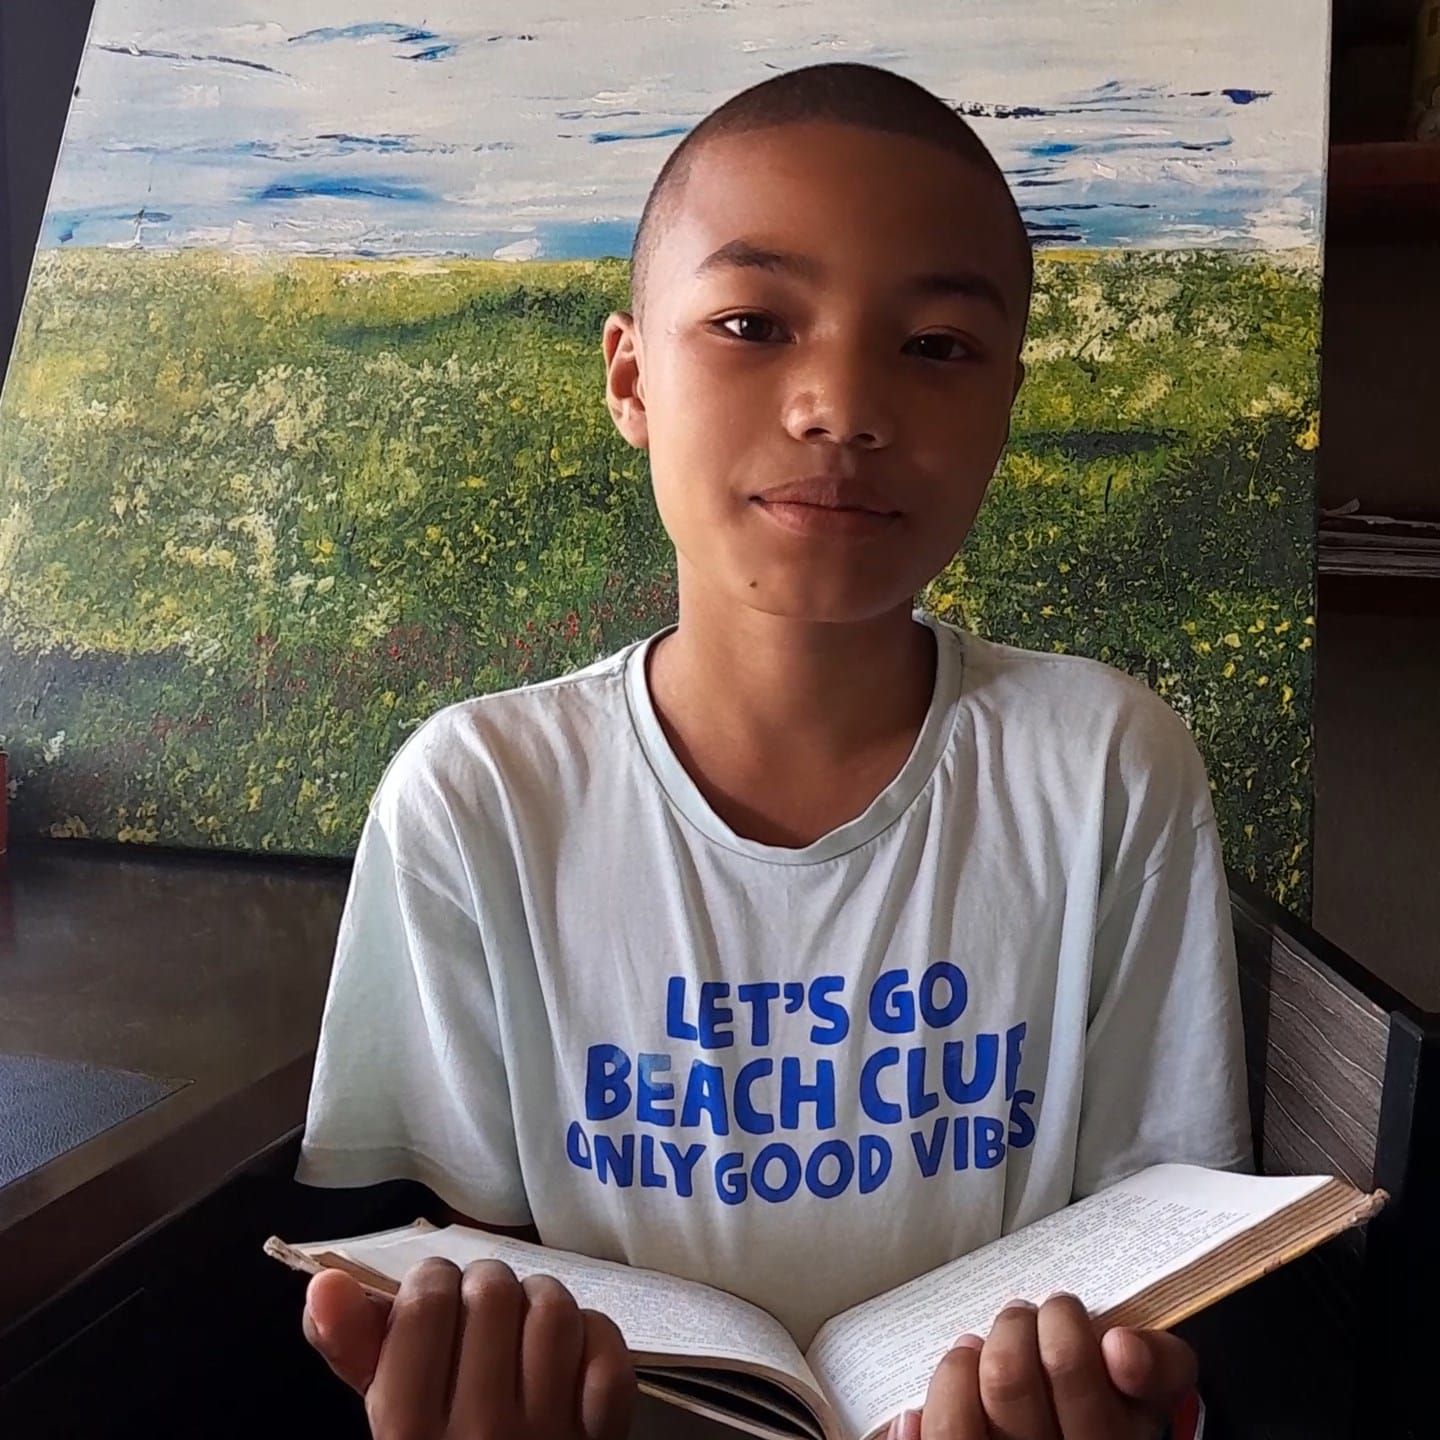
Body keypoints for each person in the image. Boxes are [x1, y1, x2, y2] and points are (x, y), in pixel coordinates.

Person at [293, 61, 1252, 1440]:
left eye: (935, 347)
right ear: (631, 376)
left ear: (1006, 401)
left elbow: (1156, 1269)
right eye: (752, 323)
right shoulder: (479, 797)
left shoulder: (1107, 769)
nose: (840, 407)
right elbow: (462, 1266)